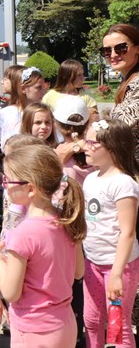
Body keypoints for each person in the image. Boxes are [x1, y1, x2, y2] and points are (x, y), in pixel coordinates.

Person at [0, 144, 87, 347]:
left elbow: (10, 293)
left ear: (30, 188)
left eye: (8, 179)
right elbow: (79, 272)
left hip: (34, 329)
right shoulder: (65, 219)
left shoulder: (23, 233)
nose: (5, 185)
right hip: (65, 323)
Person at [82, 119, 139, 348]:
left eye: (91, 142)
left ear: (112, 148)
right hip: (93, 263)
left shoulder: (123, 184)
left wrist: (116, 274)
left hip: (119, 267)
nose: (84, 146)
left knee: (118, 326)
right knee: (91, 320)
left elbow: (128, 232)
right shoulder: (90, 179)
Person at [0, 67, 47, 155]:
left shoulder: (43, 113)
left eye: (43, 87)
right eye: (38, 87)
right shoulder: (4, 113)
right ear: (23, 89)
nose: (44, 91)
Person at [103, 24, 139, 163]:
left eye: (121, 48)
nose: (113, 55)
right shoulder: (127, 80)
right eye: (107, 50)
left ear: (137, 49)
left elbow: (120, 124)